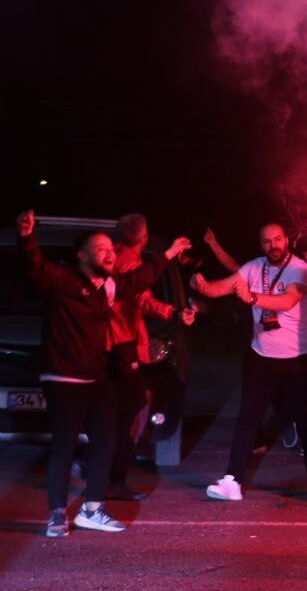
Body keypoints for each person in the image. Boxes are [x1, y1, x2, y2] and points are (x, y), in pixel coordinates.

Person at [16, 209, 190, 538]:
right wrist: (27, 238)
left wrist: (168, 253)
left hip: (96, 381)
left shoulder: (107, 287)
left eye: (111, 250)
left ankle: (92, 509)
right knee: (64, 447)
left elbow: (139, 279)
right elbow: (35, 268)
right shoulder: (64, 281)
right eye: (101, 249)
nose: (109, 254)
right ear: (81, 256)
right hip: (64, 381)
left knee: (107, 442)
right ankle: (56, 513)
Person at [191, 223, 307, 502]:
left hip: (297, 358)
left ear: (286, 239)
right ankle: (233, 481)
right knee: (247, 418)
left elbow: (288, 300)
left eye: (277, 239)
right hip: (261, 355)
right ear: (261, 244)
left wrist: (253, 297)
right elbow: (223, 287)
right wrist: (204, 286)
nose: (273, 245)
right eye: (267, 241)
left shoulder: (300, 269)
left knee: (306, 419)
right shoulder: (254, 267)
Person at [105, 213, 196, 502]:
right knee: (133, 414)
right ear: (143, 238)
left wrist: (172, 311)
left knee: (118, 414)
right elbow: (142, 298)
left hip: (105, 349)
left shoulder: (108, 257)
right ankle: (113, 480)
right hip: (123, 348)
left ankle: (105, 472)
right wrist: (174, 312)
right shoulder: (130, 264)